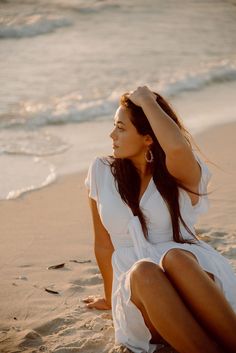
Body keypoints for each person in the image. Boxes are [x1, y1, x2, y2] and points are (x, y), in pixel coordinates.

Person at [83, 86, 236, 353]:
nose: (112, 135)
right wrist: (109, 298)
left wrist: (145, 100)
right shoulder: (101, 171)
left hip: (193, 279)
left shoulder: (179, 172)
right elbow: (103, 244)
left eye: (121, 127)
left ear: (148, 139)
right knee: (143, 271)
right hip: (141, 295)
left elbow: (176, 147)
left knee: (174, 256)